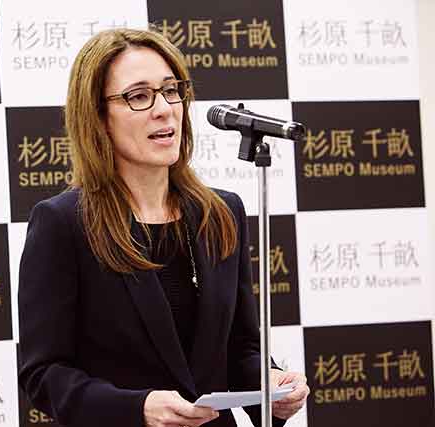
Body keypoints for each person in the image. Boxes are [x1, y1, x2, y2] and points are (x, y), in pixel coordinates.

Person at [18, 28, 309, 427]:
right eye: (139, 96)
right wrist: (137, 408)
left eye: (171, 91)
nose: (164, 109)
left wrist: (269, 384)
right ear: (98, 118)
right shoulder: (63, 223)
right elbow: (44, 373)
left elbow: (240, 347)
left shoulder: (221, 212)